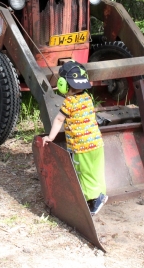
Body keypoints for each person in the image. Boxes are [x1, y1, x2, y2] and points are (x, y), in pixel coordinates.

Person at [42, 61, 108, 216]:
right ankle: (101, 193)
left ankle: (94, 200)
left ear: (63, 84)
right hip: (97, 143)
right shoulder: (87, 97)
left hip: (81, 147)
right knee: (96, 170)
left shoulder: (69, 102)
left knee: (83, 173)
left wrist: (50, 137)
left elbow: (59, 120)